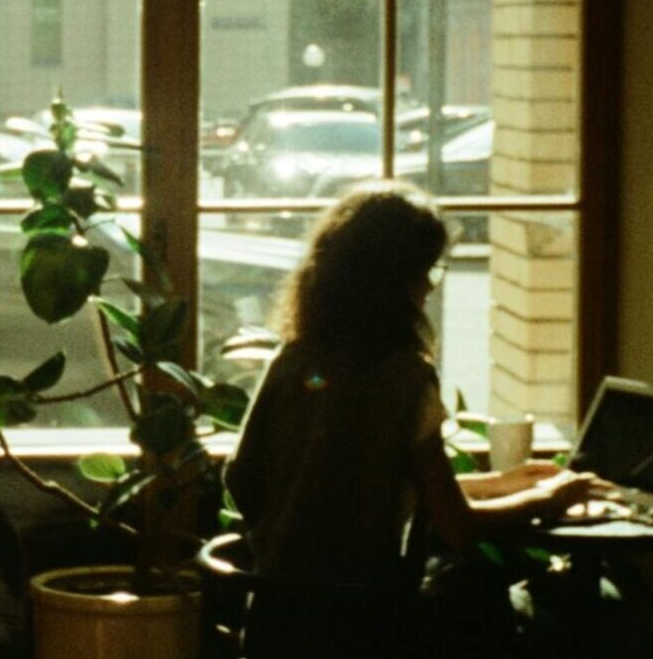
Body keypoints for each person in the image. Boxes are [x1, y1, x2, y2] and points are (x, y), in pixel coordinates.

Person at [224, 181, 605, 657]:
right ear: (393, 281)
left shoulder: (293, 360)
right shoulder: (405, 378)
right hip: (365, 628)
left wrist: (500, 483)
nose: (428, 286)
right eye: (425, 271)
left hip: (275, 624)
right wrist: (550, 497)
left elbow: (252, 478)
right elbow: (456, 525)